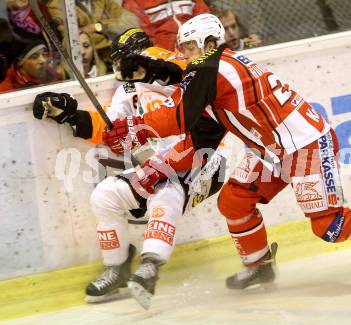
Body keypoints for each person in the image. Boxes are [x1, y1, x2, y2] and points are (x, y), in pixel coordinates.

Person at [103, 13, 351, 296]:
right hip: (271, 151)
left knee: (329, 226)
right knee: (233, 200)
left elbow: (179, 116)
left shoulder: (213, 68)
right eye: (182, 48)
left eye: (189, 47)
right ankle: (259, 265)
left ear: (208, 44)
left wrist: (137, 124)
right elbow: (198, 127)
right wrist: (150, 84)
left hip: (305, 146)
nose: (184, 54)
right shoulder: (212, 71)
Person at [32, 28, 227, 309]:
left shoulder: (165, 64)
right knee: (105, 196)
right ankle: (118, 268)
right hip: (165, 163)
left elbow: (185, 70)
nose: (120, 69)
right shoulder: (128, 87)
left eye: (123, 61)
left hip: (206, 158)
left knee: (167, 193)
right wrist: (69, 113)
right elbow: (109, 128)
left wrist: (151, 66)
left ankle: (150, 266)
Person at [46, 0, 140, 66]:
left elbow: (133, 22)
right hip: (86, 64)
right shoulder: (57, 5)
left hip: (114, 59)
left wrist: (98, 26)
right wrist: (113, 34)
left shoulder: (101, 1)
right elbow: (71, 40)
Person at [122, 0, 210, 50]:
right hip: (163, 58)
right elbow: (141, 36)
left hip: (197, 48)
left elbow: (205, 19)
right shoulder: (134, 2)